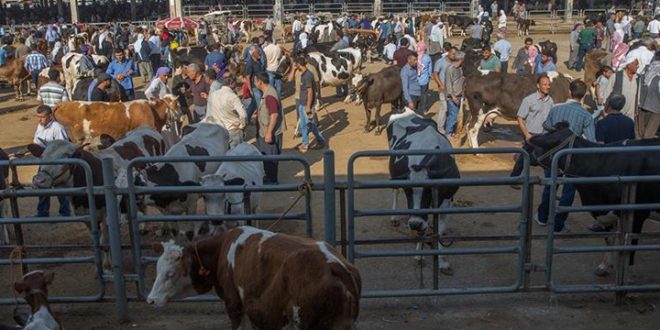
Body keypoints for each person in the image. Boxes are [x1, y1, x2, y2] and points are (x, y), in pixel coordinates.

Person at [538, 80, 595, 233]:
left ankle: (542, 217)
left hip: (553, 155)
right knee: (568, 192)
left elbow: (546, 127)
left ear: (569, 92)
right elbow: (591, 141)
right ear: (582, 96)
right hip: (573, 159)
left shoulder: (555, 108)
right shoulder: (587, 116)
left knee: (550, 186)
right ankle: (558, 225)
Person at [510, 75, 554, 178]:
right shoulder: (529, 100)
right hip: (531, 135)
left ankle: (549, 182)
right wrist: (527, 134)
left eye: (549, 84)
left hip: (544, 135)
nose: (547, 86)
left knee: (544, 158)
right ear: (538, 86)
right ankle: (513, 177)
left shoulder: (550, 101)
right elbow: (520, 118)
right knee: (525, 157)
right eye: (545, 84)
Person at [33, 105, 71, 218]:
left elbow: (62, 147)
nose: (40, 119)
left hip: (55, 163)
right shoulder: (40, 126)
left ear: (50, 116)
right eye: (38, 117)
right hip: (44, 162)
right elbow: (36, 142)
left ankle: (65, 212)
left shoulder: (57, 128)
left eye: (42, 117)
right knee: (42, 186)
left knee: (60, 187)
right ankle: (42, 212)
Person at [254, 71, 285, 184]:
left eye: (255, 81)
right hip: (266, 130)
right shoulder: (268, 92)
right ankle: (270, 177)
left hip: (269, 132)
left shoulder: (270, 96)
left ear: (260, 82)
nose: (254, 83)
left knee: (270, 157)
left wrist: (269, 132)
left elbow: (274, 114)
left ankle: (272, 180)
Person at [204, 76, 247, 148]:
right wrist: (241, 126)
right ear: (231, 84)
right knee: (236, 155)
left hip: (219, 130)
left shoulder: (213, 95)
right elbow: (243, 115)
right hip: (232, 129)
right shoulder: (232, 96)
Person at [293, 57, 325, 153]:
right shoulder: (304, 74)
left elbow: (310, 91)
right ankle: (306, 142)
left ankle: (318, 140)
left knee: (309, 124)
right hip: (302, 103)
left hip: (306, 104)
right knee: (304, 124)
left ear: (299, 64)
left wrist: (308, 106)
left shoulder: (307, 76)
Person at [603, 57, 639, 121]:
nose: (638, 66)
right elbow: (607, 92)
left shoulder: (638, 78)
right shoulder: (616, 76)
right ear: (629, 65)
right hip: (615, 113)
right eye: (636, 64)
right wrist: (605, 109)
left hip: (630, 115)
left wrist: (636, 110)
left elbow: (637, 95)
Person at [432, 44, 455, 132]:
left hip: (453, 89)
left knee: (451, 108)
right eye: (452, 54)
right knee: (444, 107)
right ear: (448, 53)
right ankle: (440, 126)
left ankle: (449, 126)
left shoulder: (455, 63)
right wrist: (440, 85)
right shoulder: (440, 62)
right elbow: (435, 74)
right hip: (443, 88)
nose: (454, 56)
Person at [637, 52, 660, 139]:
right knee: (648, 134)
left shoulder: (646, 69)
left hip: (642, 105)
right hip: (656, 108)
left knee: (641, 133)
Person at [445, 51, 465, 136]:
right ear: (461, 59)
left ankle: (451, 131)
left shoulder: (460, 68)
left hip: (460, 95)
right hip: (453, 97)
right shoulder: (450, 69)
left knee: (455, 115)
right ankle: (448, 133)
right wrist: (453, 96)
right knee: (453, 116)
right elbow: (448, 84)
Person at [244, 46, 266, 121]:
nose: (259, 53)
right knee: (259, 104)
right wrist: (250, 89)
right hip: (254, 87)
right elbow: (247, 77)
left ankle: (246, 118)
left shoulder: (259, 61)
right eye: (257, 52)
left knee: (253, 104)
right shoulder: (250, 64)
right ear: (253, 54)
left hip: (260, 86)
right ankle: (260, 120)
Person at [416, 42, 433, 114]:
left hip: (416, 79)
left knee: (416, 93)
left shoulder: (414, 57)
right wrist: (429, 76)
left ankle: (416, 108)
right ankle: (424, 108)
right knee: (424, 94)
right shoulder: (427, 57)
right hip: (425, 79)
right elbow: (430, 69)